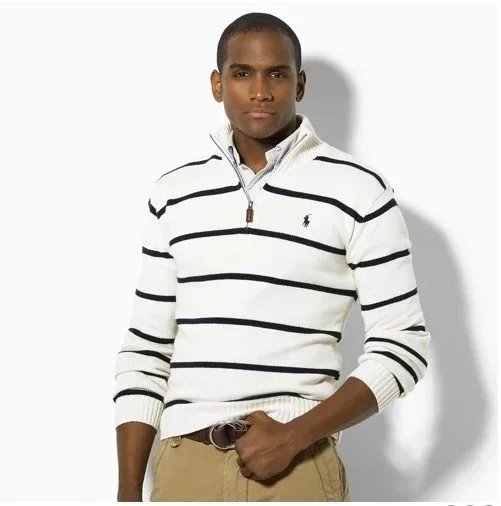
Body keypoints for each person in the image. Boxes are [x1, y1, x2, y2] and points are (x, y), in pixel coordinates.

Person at [113, 11, 431, 502]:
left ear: (299, 84)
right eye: (242, 73)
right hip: (184, 467)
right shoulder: (174, 194)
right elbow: (146, 350)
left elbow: (403, 344)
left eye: (277, 74)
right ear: (217, 84)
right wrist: (128, 492)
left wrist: (294, 436)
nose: (260, 91)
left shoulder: (359, 191)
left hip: (296, 466)